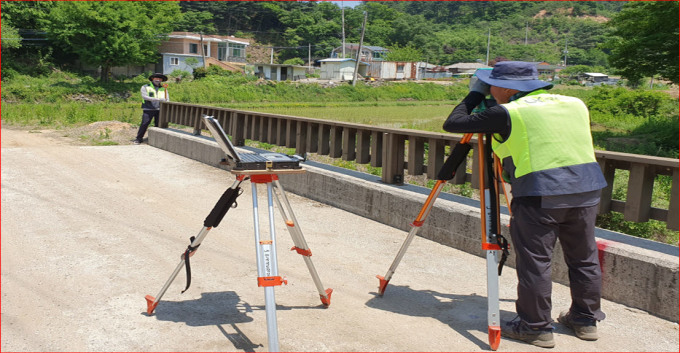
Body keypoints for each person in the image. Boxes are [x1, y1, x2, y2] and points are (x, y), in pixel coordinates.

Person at [443, 61, 607, 348]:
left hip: (541, 193)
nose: (490, 89)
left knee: (536, 263)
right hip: (587, 189)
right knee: (584, 257)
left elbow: (454, 123)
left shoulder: (507, 111)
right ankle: (585, 320)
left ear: (508, 87)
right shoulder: (575, 103)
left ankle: (535, 328)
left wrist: (474, 94)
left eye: (492, 84)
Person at [135, 73, 169, 144]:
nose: (158, 80)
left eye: (160, 79)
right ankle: (139, 138)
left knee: (158, 124)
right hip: (148, 109)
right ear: (152, 79)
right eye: (156, 78)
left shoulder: (164, 88)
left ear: (162, 80)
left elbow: (167, 98)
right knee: (145, 123)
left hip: (160, 109)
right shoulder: (145, 87)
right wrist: (158, 99)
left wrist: (166, 101)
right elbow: (145, 97)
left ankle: (156, 139)